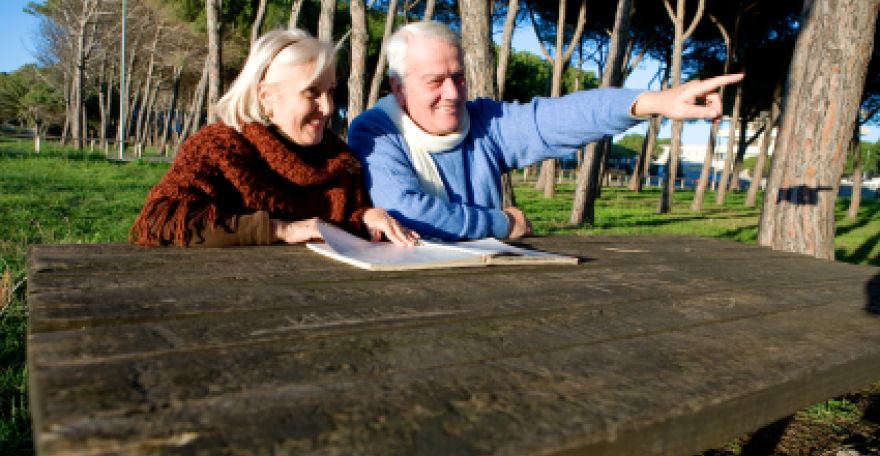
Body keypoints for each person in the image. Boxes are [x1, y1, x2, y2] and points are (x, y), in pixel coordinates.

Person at [348, 21, 744, 241]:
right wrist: (502, 223)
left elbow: (558, 118)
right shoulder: (375, 132)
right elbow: (405, 211)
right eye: (435, 81)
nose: (453, 93)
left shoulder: (484, 122)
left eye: (459, 77)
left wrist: (654, 102)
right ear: (398, 88)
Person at [130, 29, 418, 248]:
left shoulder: (340, 160)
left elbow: (333, 228)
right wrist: (280, 229)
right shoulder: (218, 148)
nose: (328, 107)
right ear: (267, 97)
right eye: (312, 93)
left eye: (330, 91)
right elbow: (161, 220)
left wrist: (365, 217)